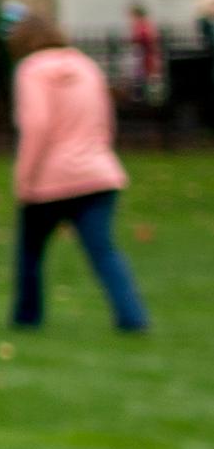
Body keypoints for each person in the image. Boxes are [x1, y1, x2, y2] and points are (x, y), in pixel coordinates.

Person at [11, 38, 148, 332]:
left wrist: (24, 178)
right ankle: (132, 317)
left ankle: (27, 317)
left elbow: (37, 125)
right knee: (103, 250)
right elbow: (106, 121)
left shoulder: (31, 70)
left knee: (30, 252)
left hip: (50, 177)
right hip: (98, 173)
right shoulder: (88, 67)